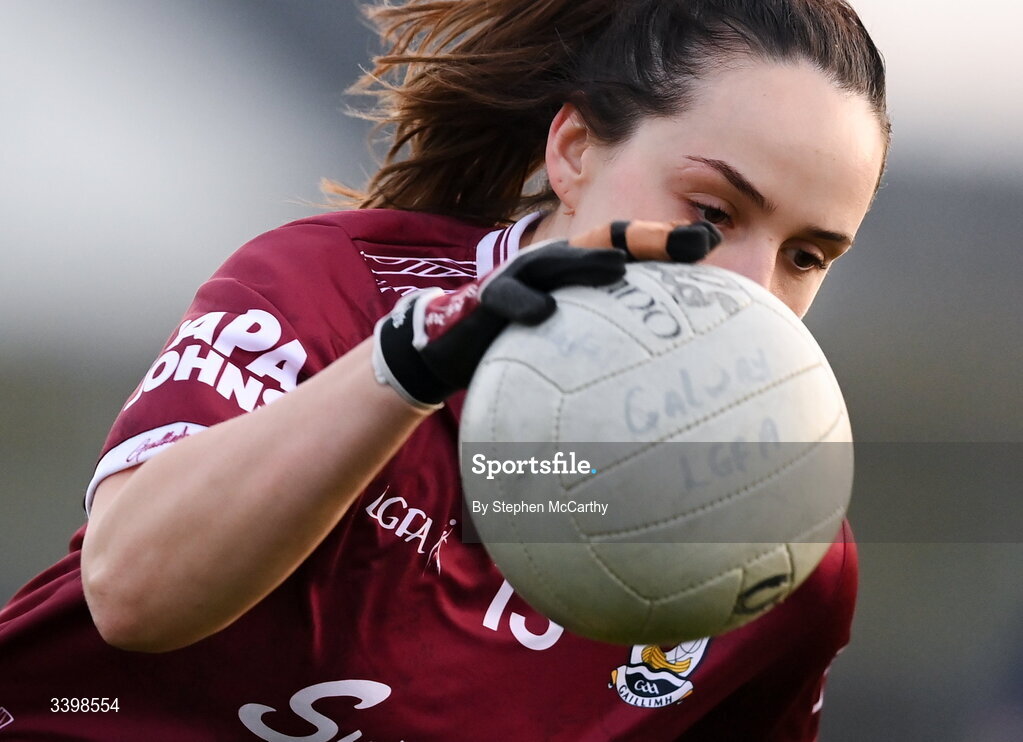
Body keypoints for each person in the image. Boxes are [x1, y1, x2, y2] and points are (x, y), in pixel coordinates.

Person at [0, 0, 889, 739]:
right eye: (711, 209)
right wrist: (402, 369)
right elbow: (131, 597)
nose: (750, 289)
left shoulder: (784, 552)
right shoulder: (334, 288)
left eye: (806, 257)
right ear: (574, 151)